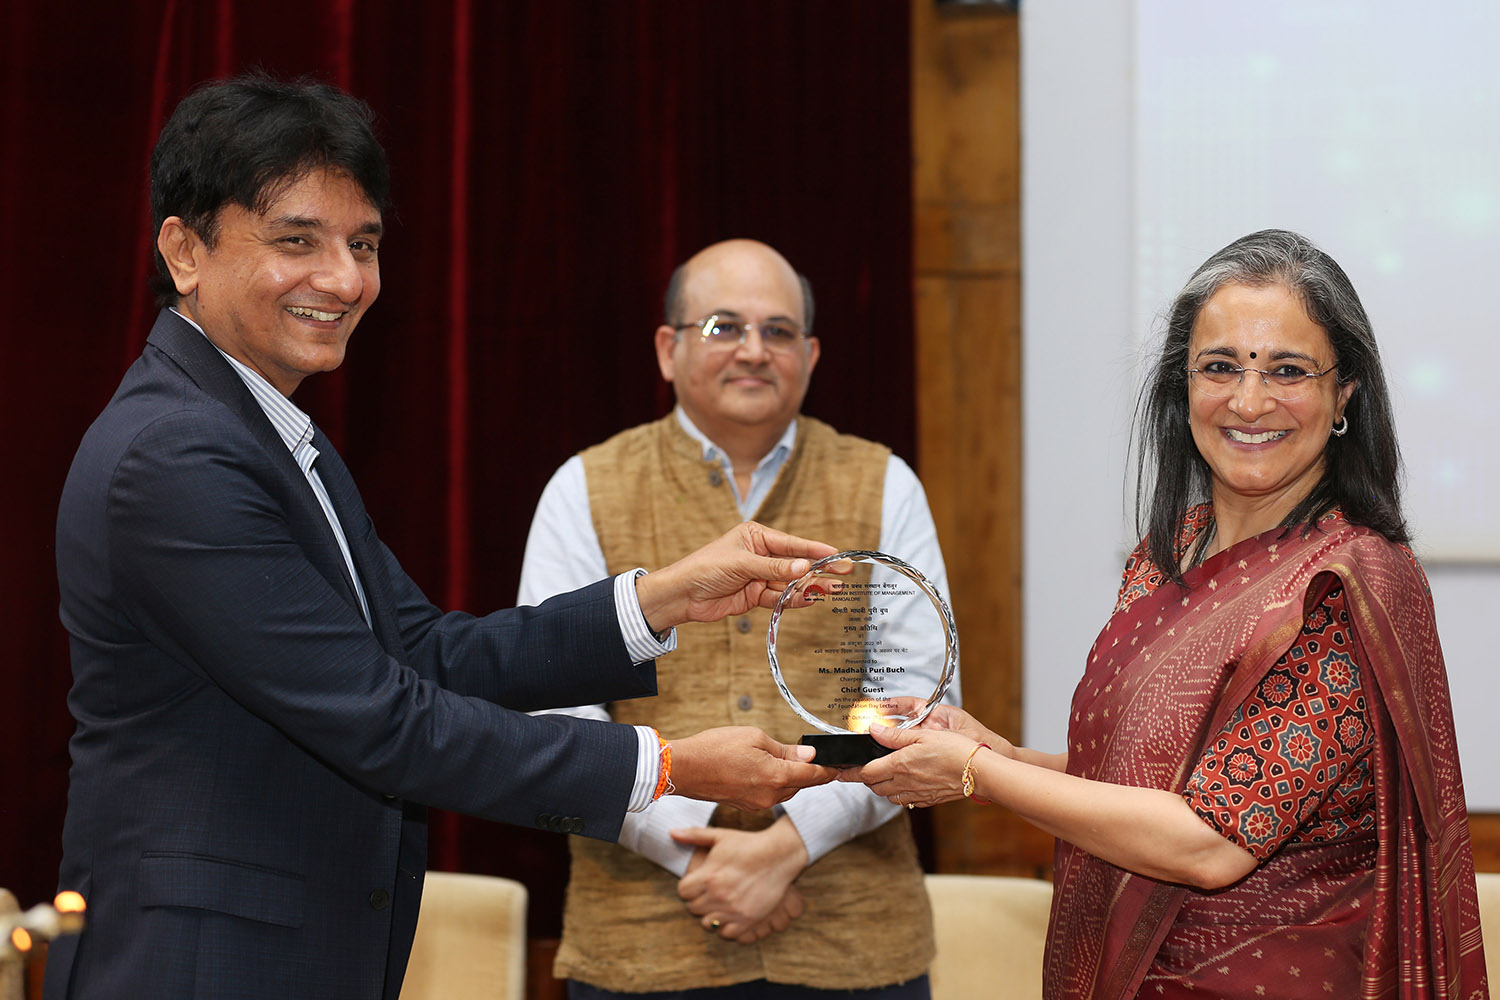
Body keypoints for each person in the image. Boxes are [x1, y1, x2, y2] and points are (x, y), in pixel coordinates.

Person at [46, 77, 840, 1000]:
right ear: (185, 249)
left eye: (363, 244)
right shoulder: (178, 455)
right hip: (200, 964)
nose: (343, 280)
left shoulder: (261, 430)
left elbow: (421, 650)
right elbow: (384, 718)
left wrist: (665, 598)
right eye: (296, 240)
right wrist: (665, 765)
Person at [843, 230, 1488, 998]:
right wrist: (996, 750)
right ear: (1182, 390)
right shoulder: (1167, 554)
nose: (1249, 402)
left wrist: (977, 776)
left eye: (1288, 370)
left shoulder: (1347, 582)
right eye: (1219, 368)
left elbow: (1212, 838)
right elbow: (1141, 786)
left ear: (1344, 393)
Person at [518, 238, 954, 998]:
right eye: (724, 327)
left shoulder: (883, 483)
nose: (754, 351)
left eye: (778, 331)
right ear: (667, 348)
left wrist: (787, 847)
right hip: (640, 940)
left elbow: (924, 704)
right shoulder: (583, 488)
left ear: (811, 355)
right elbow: (555, 710)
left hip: (856, 940)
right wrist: (697, 857)